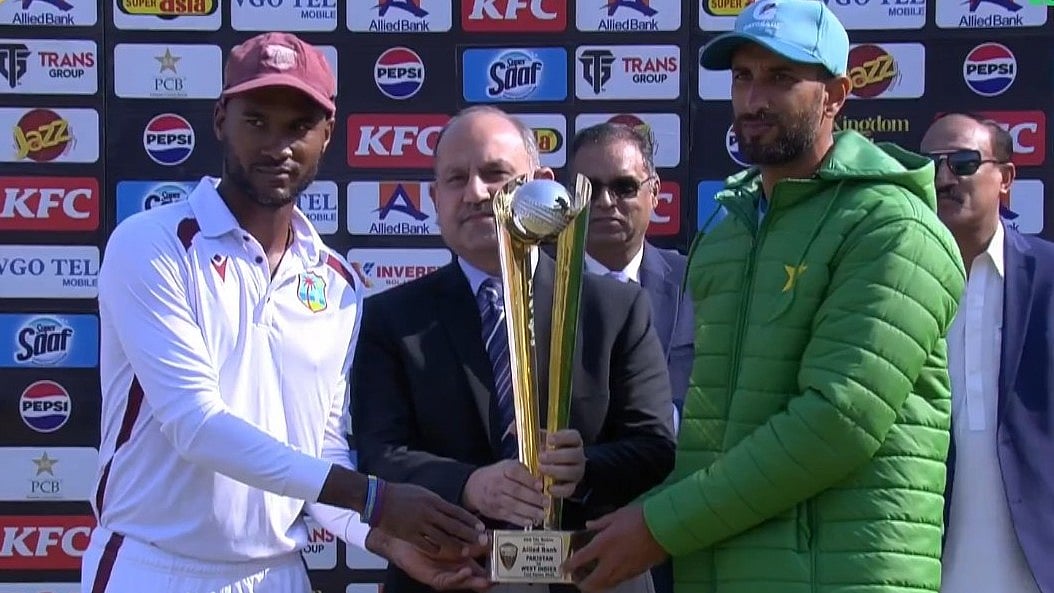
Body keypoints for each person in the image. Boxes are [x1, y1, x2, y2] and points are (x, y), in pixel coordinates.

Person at [563, 1, 967, 592]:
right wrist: (617, 524)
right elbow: (710, 443)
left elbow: (836, 421)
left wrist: (657, 526)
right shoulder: (727, 236)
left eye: (781, 78)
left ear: (836, 94)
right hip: (722, 571)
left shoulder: (893, 228)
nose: (754, 101)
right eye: (743, 77)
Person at [81, 33, 488, 593]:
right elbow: (196, 425)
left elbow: (319, 453)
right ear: (221, 119)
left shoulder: (338, 284)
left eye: (299, 125)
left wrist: (384, 538)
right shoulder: (153, 244)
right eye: (257, 121)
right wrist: (376, 498)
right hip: (154, 567)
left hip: (279, 573)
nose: (278, 145)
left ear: (328, 135)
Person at [350, 105, 677, 593]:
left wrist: (585, 469)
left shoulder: (615, 308)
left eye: (495, 174)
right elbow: (380, 455)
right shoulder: (391, 319)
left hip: (592, 577)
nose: (476, 193)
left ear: (542, 183)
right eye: (456, 179)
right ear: (435, 198)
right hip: (453, 577)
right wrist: (469, 484)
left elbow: (654, 449)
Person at [921, 113, 1054, 593]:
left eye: (963, 162)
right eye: (930, 164)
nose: (943, 177)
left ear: (1006, 180)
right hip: (926, 568)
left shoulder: (1047, 278)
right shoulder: (896, 288)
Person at [568, 122, 695, 593]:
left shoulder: (702, 284)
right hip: (571, 546)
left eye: (623, 187)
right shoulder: (531, 296)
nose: (605, 202)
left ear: (655, 191)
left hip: (684, 539)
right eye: (589, 188)